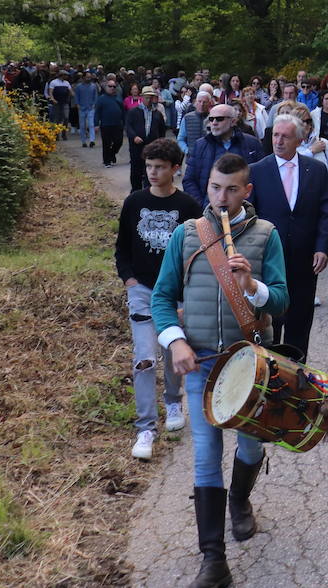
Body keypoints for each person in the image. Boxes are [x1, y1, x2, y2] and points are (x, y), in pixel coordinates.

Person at [152, 154, 287, 587]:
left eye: (231, 189)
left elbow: (283, 300)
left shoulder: (266, 235)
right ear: (206, 188)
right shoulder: (187, 234)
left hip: (248, 365)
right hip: (201, 363)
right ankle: (214, 561)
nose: (222, 198)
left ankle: (241, 501)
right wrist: (175, 341)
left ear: (247, 191)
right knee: (205, 458)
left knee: (249, 449)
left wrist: (253, 287)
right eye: (214, 188)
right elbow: (161, 297)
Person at [115, 138, 200, 460]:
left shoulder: (189, 208)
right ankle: (146, 428)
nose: (152, 172)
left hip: (175, 293)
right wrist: (129, 279)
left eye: (160, 167)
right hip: (141, 290)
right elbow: (122, 247)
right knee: (144, 357)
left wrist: (186, 294)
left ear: (174, 169)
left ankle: (174, 400)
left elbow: (195, 255)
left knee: (172, 349)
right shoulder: (134, 203)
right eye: (149, 166)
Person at [248, 113, 328, 361]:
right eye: (275, 135)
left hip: (304, 261)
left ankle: (298, 381)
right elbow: (249, 216)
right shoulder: (257, 171)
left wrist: (323, 248)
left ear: (299, 139)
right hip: (269, 263)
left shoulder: (316, 170)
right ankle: (269, 383)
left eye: (285, 136)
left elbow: (325, 212)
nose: (279, 141)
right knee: (270, 327)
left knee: (300, 323)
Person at [185, 104, 266, 207]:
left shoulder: (252, 144)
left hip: (245, 213)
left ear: (233, 121)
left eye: (219, 119)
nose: (214, 123)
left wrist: (250, 206)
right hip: (209, 212)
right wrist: (202, 207)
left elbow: (262, 179)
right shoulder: (200, 145)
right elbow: (189, 180)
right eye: (211, 119)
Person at [124, 88, 168, 191]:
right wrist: (134, 136)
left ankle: (149, 190)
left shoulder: (157, 113)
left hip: (152, 146)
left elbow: (162, 130)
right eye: (146, 97)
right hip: (137, 145)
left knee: (150, 169)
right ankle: (135, 190)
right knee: (136, 169)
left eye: (151, 97)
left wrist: (160, 143)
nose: (148, 99)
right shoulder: (133, 112)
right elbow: (128, 127)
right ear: (142, 97)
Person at [95, 76, 127, 167]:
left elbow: (123, 111)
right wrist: (96, 124)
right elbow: (97, 112)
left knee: (119, 142)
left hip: (117, 124)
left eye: (114, 86)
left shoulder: (118, 98)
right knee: (106, 143)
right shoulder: (101, 99)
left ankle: (112, 154)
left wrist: (125, 122)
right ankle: (107, 161)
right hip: (106, 124)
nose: (112, 88)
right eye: (110, 86)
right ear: (106, 87)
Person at [178, 90, 214, 155]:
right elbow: (180, 139)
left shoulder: (214, 118)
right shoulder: (187, 118)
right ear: (195, 102)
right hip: (192, 157)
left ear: (209, 103)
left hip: (210, 155)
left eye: (205, 102)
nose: (202, 104)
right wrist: (187, 151)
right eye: (199, 101)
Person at [75, 71, 99, 147]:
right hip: (81, 108)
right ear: (83, 77)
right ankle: (83, 141)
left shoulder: (93, 86)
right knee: (82, 125)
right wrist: (77, 104)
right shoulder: (79, 86)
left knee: (91, 124)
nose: (89, 78)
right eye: (87, 77)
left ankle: (92, 140)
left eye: (90, 77)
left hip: (90, 108)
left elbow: (95, 96)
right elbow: (76, 96)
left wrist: (94, 104)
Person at [46, 70, 72, 140]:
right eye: (65, 75)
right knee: (57, 118)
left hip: (65, 102)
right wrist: (53, 99)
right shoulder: (54, 82)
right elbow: (50, 92)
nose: (67, 77)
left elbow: (70, 91)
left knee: (66, 117)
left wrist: (70, 97)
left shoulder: (67, 83)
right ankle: (56, 134)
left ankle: (64, 133)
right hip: (56, 102)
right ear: (62, 75)